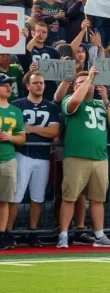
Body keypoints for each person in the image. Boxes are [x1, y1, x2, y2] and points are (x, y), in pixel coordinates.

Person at [57, 67, 110, 249]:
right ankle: (63, 234)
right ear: (74, 87)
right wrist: (88, 78)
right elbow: (75, 101)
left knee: (98, 199)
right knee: (69, 197)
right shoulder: (70, 99)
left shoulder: (100, 104)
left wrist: (107, 101)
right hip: (77, 156)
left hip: (100, 157)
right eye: (81, 82)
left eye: (90, 82)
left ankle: (99, 236)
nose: (88, 84)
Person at [7, 74, 60, 248]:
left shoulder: (51, 107)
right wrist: (40, 131)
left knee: (37, 197)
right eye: (36, 83)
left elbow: (53, 132)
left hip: (43, 156)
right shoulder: (17, 105)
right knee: (15, 196)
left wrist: (30, 128)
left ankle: (33, 232)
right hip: (22, 154)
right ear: (28, 86)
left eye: (42, 83)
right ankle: (7, 232)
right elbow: (15, 130)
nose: (39, 86)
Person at [0, 74, 25, 250]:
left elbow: (22, 137)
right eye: (3, 85)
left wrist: (10, 137)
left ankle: (2, 234)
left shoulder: (15, 111)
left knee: (5, 200)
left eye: (9, 84)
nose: (8, 87)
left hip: (8, 158)